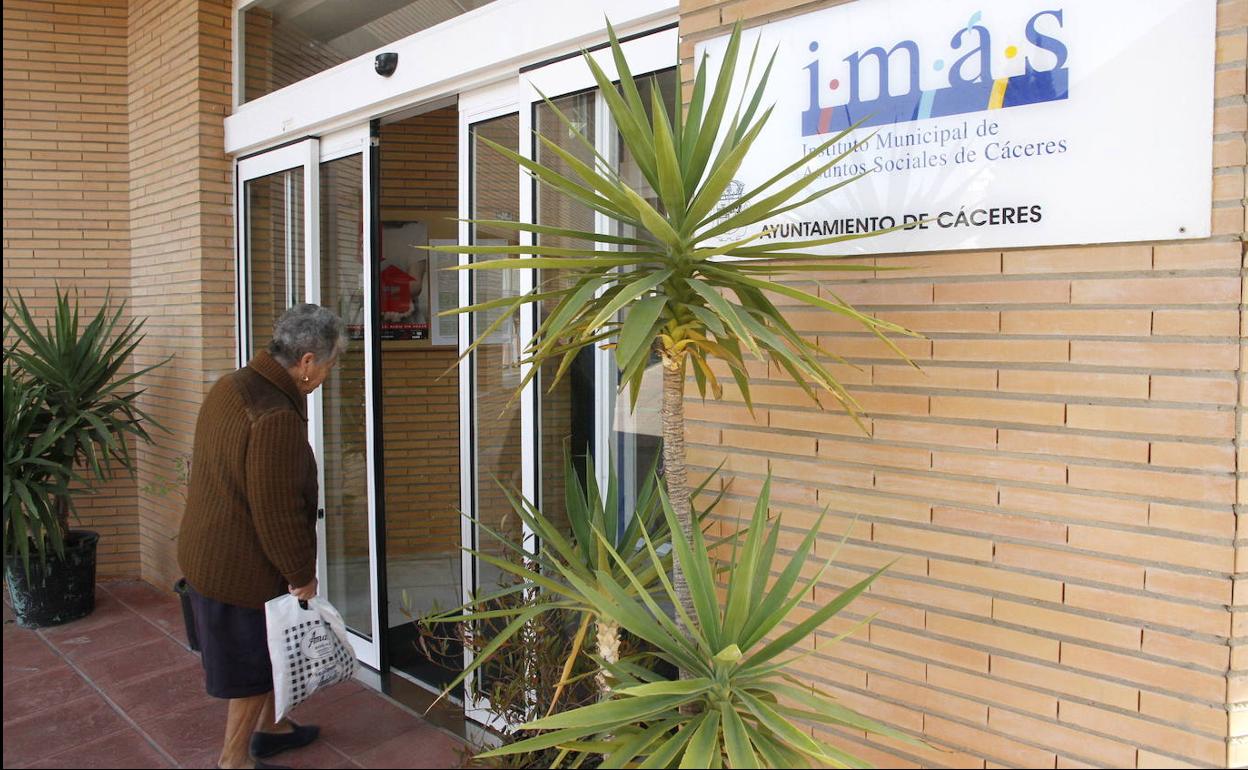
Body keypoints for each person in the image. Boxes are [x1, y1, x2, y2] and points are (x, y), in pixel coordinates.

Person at [177, 304, 345, 770]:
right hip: (240, 567)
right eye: (329, 365)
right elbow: (278, 513)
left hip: (207, 549)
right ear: (307, 361)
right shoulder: (273, 414)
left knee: (269, 649)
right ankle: (233, 760)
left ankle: (272, 729)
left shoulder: (233, 385)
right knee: (251, 667)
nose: (327, 376)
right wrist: (301, 575)